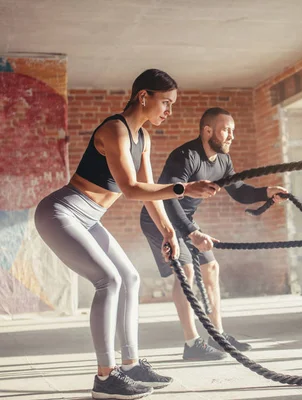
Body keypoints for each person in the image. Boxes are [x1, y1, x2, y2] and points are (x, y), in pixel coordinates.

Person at [34, 69, 221, 400]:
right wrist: (185, 187)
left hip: (90, 218)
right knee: (109, 280)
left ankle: (131, 366)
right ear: (144, 96)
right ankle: (105, 377)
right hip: (60, 212)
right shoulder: (114, 130)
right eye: (165, 102)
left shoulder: (144, 138)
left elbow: (149, 193)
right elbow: (132, 189)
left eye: (172, 105)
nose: (169, 111)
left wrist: (168, 232)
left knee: (130, 278)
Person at [139, 107, 287, 361]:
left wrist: (267, 192)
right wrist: (192, 233)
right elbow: (169, 198)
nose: (231, 136)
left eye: (233, 131)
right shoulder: (185, 156)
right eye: (226, 130)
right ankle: (191, 343)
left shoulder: (223, 161)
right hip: (159, 218)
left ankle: (216, 335)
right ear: (207, 131)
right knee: (185, 273)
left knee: (211, 268)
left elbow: (239, 191)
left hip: (185, 221)